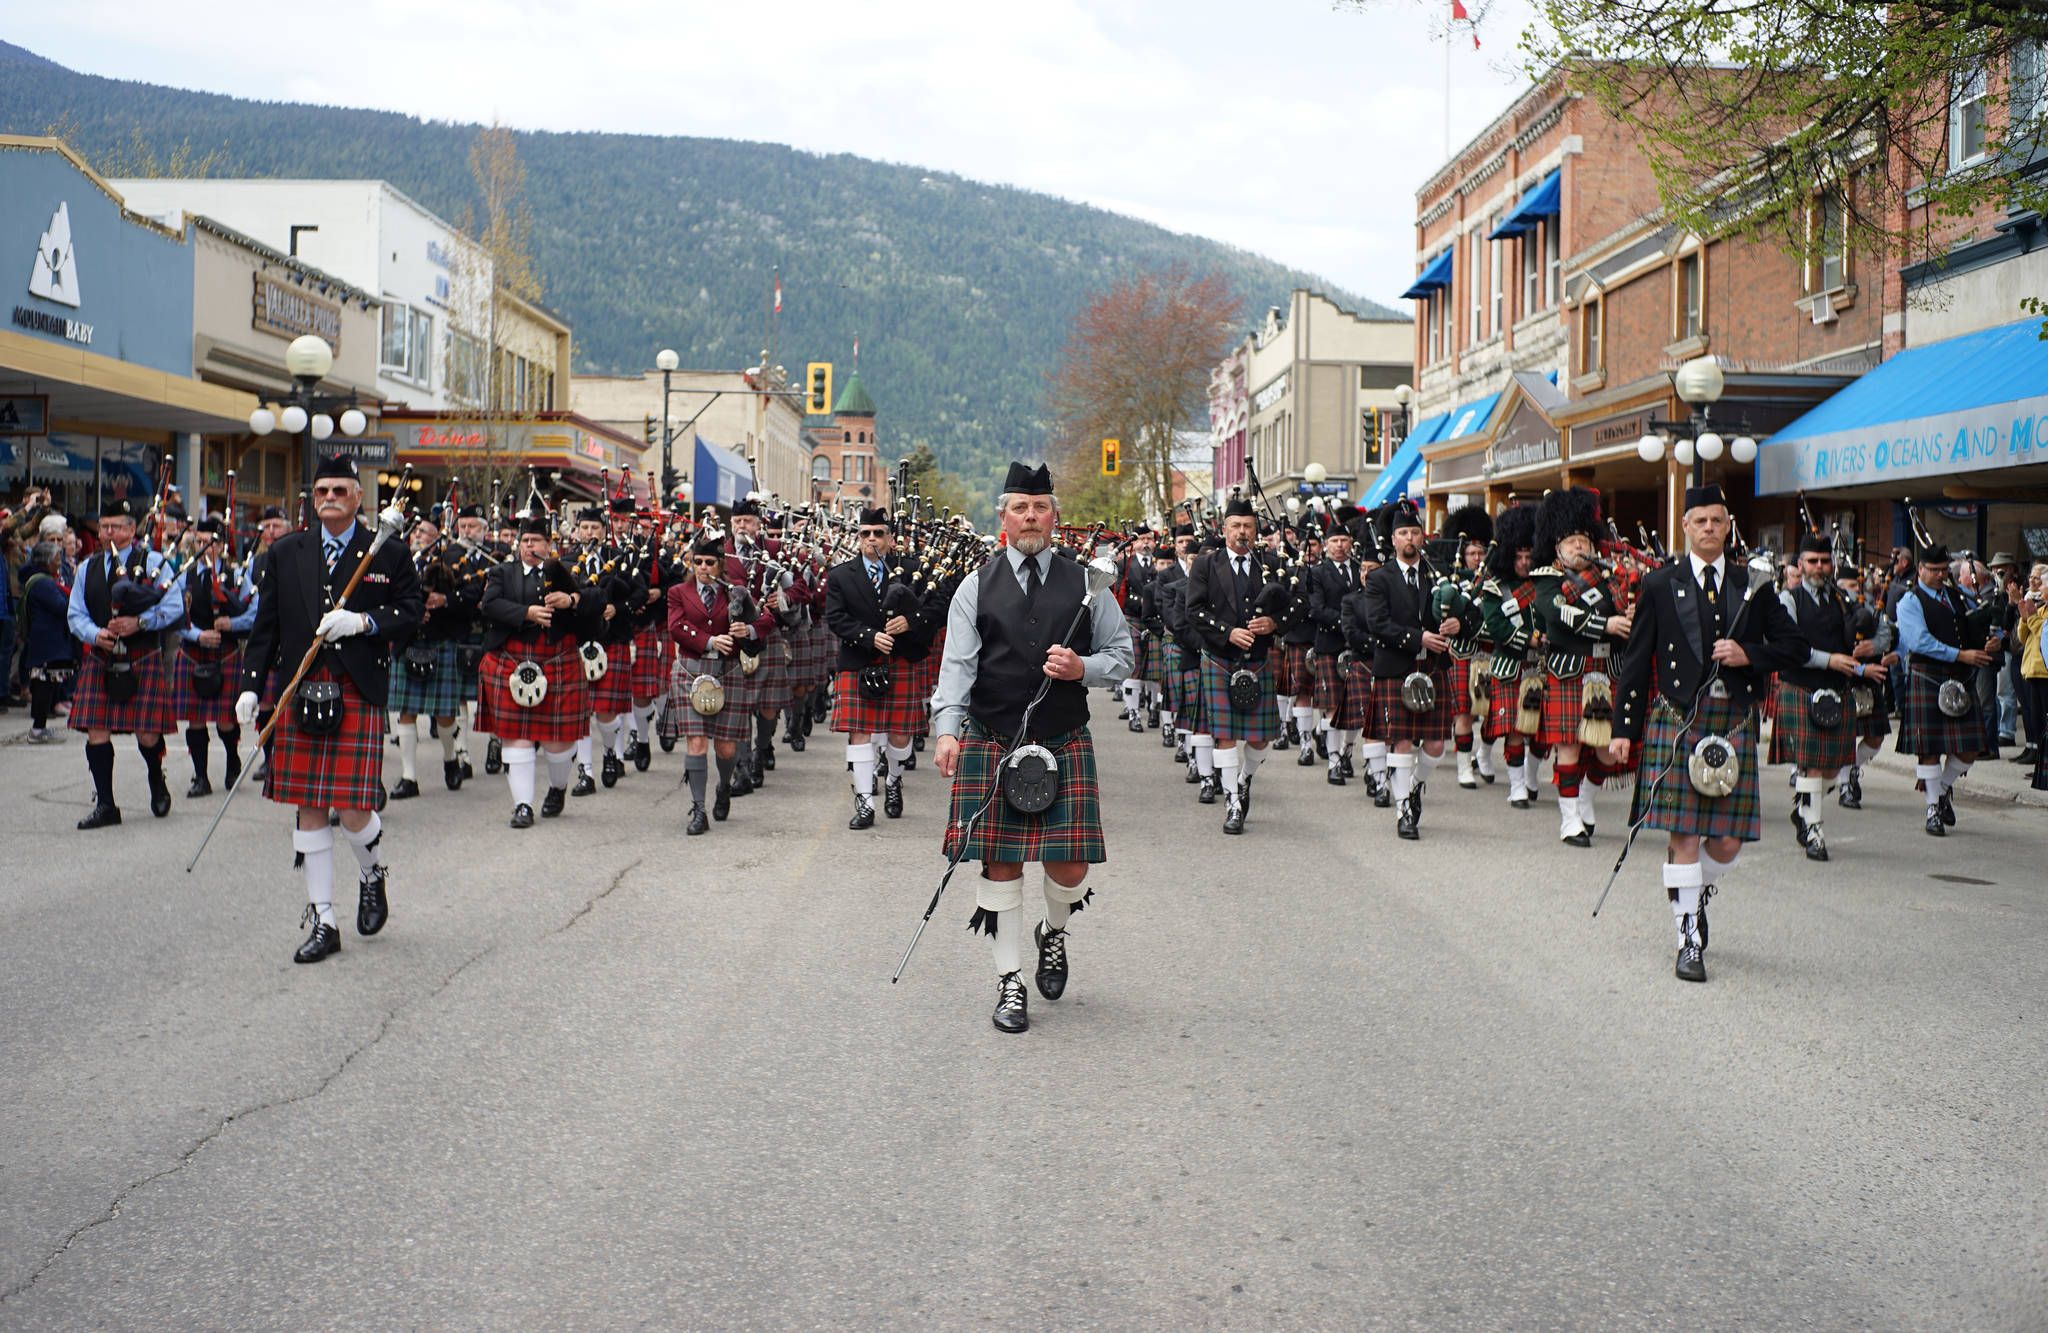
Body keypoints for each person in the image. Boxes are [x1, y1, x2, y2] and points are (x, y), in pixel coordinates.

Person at [932, 462, 1133, 1034]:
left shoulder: (1087, 584)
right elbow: (957, 668)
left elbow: (1123, 656)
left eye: (1039, 507)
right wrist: (948, 729)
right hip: (993, 741)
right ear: (1003, 516)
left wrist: (1082, 667)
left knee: (1069, 869)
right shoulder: (976, 585)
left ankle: (1054, 932)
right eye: (1019, 507)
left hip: (1062, 740)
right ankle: (1009, 982)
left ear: (1055, 516)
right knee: (1001, 865)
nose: (1030, 516)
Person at [1612, 483, 1802, 983]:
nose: (1710, 529)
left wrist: (1750, 655)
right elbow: (1636, 662)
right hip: (1679, 721)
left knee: (1727, 844)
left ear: (1727, 524)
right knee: (1685, 834)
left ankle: (1694, 899)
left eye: (1718, 521)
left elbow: (1795, 646)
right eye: (1700, 521)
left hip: (1732, 720)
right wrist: (1623, 729)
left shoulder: (1754, 582)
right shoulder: (1659, 584)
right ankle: (1687, 940)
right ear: (1686, 526)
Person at [235, 456, 421, 964]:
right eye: (321, 490)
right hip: (300, 686)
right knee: (311, 807)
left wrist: (363, 622)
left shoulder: (387, 549)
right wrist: (252, 685)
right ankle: (323, 918)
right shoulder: (286, 551)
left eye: (340, 489)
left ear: (358, 497)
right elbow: (265, 625)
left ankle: (371, 871)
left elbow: (412, 611)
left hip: (355, 688)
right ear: (311, 499)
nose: (330, 497)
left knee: (357, 809)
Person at [1183, 495, 1304, 834]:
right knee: (1223, 736)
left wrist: (1275, 623)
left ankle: (1245, 778)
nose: (1242, 532)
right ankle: (1233, 802)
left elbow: (1300, 604)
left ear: (1256, 530)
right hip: (1221, 659)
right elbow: (1193, 611)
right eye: (1235, 526)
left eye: (1248, 526)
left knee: (1260, 740)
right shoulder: (1207, 565)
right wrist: (1228, 632)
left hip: (1259, 661)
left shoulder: (1273, 563)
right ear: (1224, 530)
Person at [476, 513, 604, 828]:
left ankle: (558, 789)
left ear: (549, 544)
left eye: (535, 541)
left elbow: (597, 598)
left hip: (557, 659)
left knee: (559, 743)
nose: (529, 546)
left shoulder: (565, 570)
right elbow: (489, 605)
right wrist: (527, 612)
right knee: (516, 736)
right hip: (511, 659)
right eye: (525, 541)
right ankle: (522, 806)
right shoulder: (502, 573)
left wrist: (572, 599)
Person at [66, 496, 185, 828]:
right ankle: (106, 805)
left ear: (132, 530)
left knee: (147, 733)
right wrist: (94, 634)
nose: (107, 533)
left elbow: (174, 606)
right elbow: (75, 614)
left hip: (141, 655)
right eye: (104, 527)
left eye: (116, 527)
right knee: (96, 730)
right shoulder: (86, 567)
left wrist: (140, 623)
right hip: (103, 657)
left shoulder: (154, 561)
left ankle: (155, 777)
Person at [1771, 533, 1885, 861]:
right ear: (1800, 565)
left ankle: (1803, 812)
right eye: (1812, 561)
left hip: (1837, 691)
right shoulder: (1788, 600)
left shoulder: (1842, 598)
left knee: (1833, 770)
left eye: (1824, 561)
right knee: (1810, 768)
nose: (1819, 567)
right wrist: (1831, 659)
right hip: (1802, 688)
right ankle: (1814, 828)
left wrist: (1870, 647)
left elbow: (1884, 632)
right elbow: (1789, 649)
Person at [1530, 487, 1633, 847]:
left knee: (1608, 751)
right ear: (1557, 546)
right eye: (1571, 541)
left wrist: (1632, 612)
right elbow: (1558, 616)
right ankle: (1569, 818)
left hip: (1608, 670)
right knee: (1570, 746)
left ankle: (1585, 799)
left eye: (1584, 540)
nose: (1579, 548)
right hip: (1569, 670)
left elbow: (1627, 609)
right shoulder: (1546, 578)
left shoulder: (1609, 577)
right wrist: (1605, 625)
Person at [824, 507, 936, 828]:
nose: (872, 539)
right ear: (857, 537)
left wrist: (910, 621)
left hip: (899, 660)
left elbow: (936, 607)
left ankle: (893, 782)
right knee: (859, 732)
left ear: (889, 537)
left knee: (900, 736)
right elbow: (836, 617)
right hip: (859, 661)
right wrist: (869, 637)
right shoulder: (841, 575)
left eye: (878, 533)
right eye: (865, 533)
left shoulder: (912, 569)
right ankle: (864, 803)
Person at [1361, 499, 1459, 839]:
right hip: (1395, 666)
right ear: (1393, 539)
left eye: (1414, 532)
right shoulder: (1379, 579)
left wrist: (1460, 623)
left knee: (1434, 746)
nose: (1409, 539)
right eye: (1403, 533)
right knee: (1401, 741)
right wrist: (1420, 638)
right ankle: (1404, 809)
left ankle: (1414, 786)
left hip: (1432, 669)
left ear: (1422, 536)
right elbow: (1377, 623)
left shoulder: (1439, 572)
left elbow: (1468, 612)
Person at [665, 536, 773, 834]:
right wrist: (709, 640)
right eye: (697, 562)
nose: (702, 567)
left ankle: (724, 786)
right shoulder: (678, 592)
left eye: (709, 562)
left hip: (727, 672)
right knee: (696, 742)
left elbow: (766, 621)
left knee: (726, 748)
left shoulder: (735, 592)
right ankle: (699, 810)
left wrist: (747, 629)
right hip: (690, 670)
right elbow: (675, 626)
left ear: (720, 565)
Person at [1894, 541, 1999, 836]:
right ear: (1921, 570)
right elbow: (1919, 642)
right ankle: (1932, 810)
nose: (1942, 575)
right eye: (1936, 570)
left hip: (1961, 676)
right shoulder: (1909, 601)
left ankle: (1939, 790)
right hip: (1928, 675)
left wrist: (1986, 643)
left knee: (1971, 748)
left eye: (1944, 570)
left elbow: (1967, 631)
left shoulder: (1955, 596)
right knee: (1930, 749)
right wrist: (1960, 655)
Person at [387, 508, 488, 799]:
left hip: (442, 641)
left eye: (426, 533)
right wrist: (410, 614)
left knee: (445, 715)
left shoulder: (456, 557)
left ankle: (450, 758)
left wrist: (445, 600)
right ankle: (409, 778)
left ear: (438, 535)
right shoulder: (399, 559)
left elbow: (473, 593)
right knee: (406, 713)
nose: (419, 537)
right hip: (409, 642)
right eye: (416, 532)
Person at [170, 516, 254, 797]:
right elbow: (176, 613)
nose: (205, 547)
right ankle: (201, 776)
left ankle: (232, 764)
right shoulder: (186, 574)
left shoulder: (236, 575)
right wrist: (197, 635)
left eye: (211, 542)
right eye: (201, 541)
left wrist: (232, 624)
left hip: (225, 653)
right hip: (194, 651)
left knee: (226, 719)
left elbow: (252, 612)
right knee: (195, 718)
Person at [1477, 503, 1545, 808]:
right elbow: (1496, 627)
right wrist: (1530, 639)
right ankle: (1517, 787)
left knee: (1542, 734)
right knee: (1516, 730)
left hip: (1544, 667)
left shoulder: (1547, 585)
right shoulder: (1495, 588)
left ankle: (1531, 777)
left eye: (1529, 555)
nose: (1524, 562)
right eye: (1518, 556)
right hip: (1510, 666)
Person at [20, 540, 75, 742]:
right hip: (46, 643)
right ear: (45, 561)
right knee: (43, 685)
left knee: (48, 684)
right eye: (56, 558)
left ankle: (41, 727)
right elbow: (62, 607)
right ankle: (37, 729)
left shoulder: (43, 581)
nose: (59, 562)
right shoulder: (42, 583)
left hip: (48, 641)